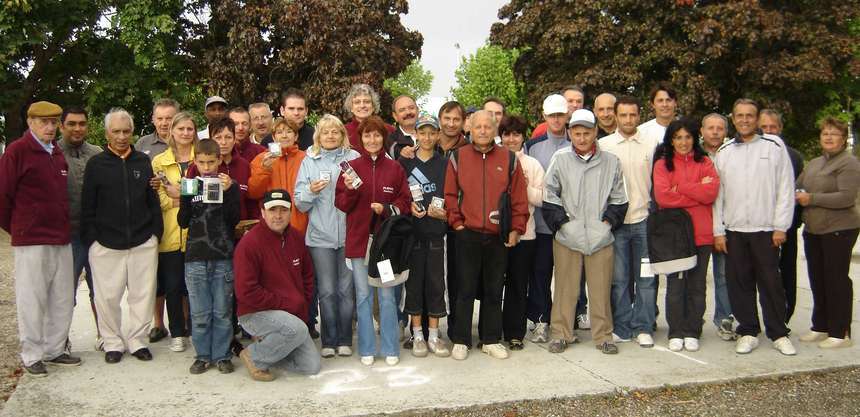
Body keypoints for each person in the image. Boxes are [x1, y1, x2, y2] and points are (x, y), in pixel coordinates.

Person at [0, 101, 81, 376]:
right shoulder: (17, 151)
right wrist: (20, 228)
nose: (49, 127)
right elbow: (3, 197)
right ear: (30, 122)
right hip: (32, 239)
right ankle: (32, 354)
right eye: (43, 122)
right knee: (31, 298)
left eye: (53, 122)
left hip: (61, 236)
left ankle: (55, 348)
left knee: (61, 296)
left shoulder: (56, 153)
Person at [713, 98, 795, 356]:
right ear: (733, 119)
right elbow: (718, 196)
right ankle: (748, 331)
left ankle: (778, 333)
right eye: (740, 115)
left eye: (750, 115)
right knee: (740, 283)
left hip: (766, 230)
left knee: (771, 283)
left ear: (757, 118)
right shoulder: (725, 152)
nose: (745, 120)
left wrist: (781, 226)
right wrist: (719, 231)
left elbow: (785, 187)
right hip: (735, 231)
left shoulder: (774, 146)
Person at [444, 110, 529, 361]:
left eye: (488, 126)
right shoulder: (458, 157)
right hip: (466, 233)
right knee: (464, 289)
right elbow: (450, 195)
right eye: (478, 126)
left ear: (495, 130)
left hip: (497, 235)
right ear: (469, 128)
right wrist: (457, 223)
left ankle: (490, 339)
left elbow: (519, 198)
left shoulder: (509, 159)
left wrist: (516, 228)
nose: (482, 130)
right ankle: (461, 339)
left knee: (494, 290)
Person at [542, 109, 628, 355]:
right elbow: (549, 196)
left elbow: (620, 199)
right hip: (568, 237)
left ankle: (603, 336)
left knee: (601, 289)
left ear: (595, 132)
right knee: (565, 289)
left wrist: (607, 224)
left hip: (601, 237)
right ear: (570, 133)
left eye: (586, 133)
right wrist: (563, 225)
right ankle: (561, 334)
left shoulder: (611, 161)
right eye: (577, 133)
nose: (581, 138)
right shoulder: (560, 159)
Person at [81, 108, 163, 364]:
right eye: (116, 131)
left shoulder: (142, 161)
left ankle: (138, 341)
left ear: (132, 131)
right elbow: (88, 205)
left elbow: (152, 201)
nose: (121, 136)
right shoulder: (96, 164)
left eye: (126, 131)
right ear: (107, 132)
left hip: (142, 240)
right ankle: (112, 343)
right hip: (106, 243)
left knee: (142, 294)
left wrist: (155, 234)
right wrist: (92, 239)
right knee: (107, 297)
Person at [335, 115, 411, 366]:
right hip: (359, 244)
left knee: (388, 297)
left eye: (376, 135)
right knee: (364, 296)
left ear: (383, 137)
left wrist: (386, 209)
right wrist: (349, 188)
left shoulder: (395, 168)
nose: (372, 139)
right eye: (367, 135)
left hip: (386, 246)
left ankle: (390, 348)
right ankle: (367, 348)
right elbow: (342, 204)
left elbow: (405, 201)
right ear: (361, 138)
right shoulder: (351, 167)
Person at [234, 190, 320, 381]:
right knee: (296, 330)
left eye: (283, 210)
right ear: (263, 212)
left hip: (291, 315)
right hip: (255, 313)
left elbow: (308, 277)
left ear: (291, 213)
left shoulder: (297, 239)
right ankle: (254, 356)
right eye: (273, 210)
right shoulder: (250, 243)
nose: (278, 215)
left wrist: (301, 306)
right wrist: (288, 304)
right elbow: (246, 292)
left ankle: (271, 348)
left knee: (311, 366)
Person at [295, 114, 360, 358]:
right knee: (327, 290)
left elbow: (363, 196)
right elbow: (299, 203)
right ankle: (328, 341)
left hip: (348, 237)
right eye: (325, 132)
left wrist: (355, 188)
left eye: (335, 132)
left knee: (345, 290)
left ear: (343, 135)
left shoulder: (354, 158)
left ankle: (344, 339)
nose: (330, 136)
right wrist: (310, 191)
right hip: (320, 238)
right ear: (318, 136)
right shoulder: (309, 160)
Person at [653, 118, 720, 352]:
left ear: (695, 138)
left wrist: (679, 187)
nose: (683, 142)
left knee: (697, 285)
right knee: (675, 285)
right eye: (678, 137)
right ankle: (676, 330)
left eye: (688, 137)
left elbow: (710, 193)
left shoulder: (705, 162)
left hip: (701, 235)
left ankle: (693, 330)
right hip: (675, 236)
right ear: (671, 140)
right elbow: (663, 198)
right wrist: (696, 189)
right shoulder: (663, 165)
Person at [599, 96, 660, 348]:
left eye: (632, 115)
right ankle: (622, 327)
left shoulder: (652, 143)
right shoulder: (604, 145)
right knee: (620, 280)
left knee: (646, 279)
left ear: (638, 115)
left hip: (645, 221)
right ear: (615, 115)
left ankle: (643, 326)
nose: (628, 119)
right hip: (617, 224)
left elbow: (658, 182)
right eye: (623, 115)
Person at [178, 138, 241, 374]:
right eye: (202, 162)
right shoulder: (191, 185)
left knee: (223, 311)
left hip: (222, 255)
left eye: (211, 162)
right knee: (200, 312)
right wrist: (185, 194)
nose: (206, 167)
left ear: (219, 161)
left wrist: (227, 192)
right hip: (195, 256)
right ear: (195, 161)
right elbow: (182, 221)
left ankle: (223, 355)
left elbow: (233, 219)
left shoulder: (229, 185)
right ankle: (202, 355)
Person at [795, 118, 859, 349]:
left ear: (843, 139)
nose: (829, 138)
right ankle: (821, 326)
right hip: (814, 229)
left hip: (839, 230)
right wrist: (799, 192)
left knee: (836, 280)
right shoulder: (814, 163)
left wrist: (812, 198)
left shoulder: (848, 163)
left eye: (834, 134)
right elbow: (798, 184)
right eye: (825, 134)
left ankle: (840, 331)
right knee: (818, 279)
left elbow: (846, 197)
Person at [399, 115, 452, 358]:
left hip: (435, 234)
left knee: (435, 284)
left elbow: (451, 196)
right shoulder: (405, 162)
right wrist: (408, 206)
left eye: (432, 133)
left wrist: (444, 214)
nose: (427, 137)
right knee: (413, 285)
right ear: (416, 135)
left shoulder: (444, 164)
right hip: (412, 234)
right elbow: (399, 195)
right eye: (423, 133)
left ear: (438, 135)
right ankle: (417, 334)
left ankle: (434, 334)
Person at [523, 94, 571, 343]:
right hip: (541, 224)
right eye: (552, 115)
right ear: (544, 116)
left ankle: (564, 321)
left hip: (568, 224)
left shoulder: (577, 142)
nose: (556, 119)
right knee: (540, 274)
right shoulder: (533, 145)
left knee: (566, 277)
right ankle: (540, 320)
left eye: (560, 115)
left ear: (567, 116)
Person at [151, 112, 197, 352]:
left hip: (196, 232)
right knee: (172, 285)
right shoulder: (160, 161)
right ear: (172, 132)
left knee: (194, 285)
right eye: (181, 129)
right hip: (169, 231)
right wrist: (180, 199)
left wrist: (181, 196)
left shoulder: (201, 158)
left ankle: (194, 328)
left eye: (190, 129)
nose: (185, 134)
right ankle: (177, 332)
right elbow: (159, 197)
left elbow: (204, 195)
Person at [59, 106, 103, 351]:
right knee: (66, 290)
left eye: (82, 124)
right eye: (72, 124)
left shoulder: (96, 154)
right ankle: (60, 339)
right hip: (68, 234)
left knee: (101, 289)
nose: (78, 128)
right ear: (61, 126)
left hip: (96, 233)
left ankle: (104, 334)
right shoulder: (54, 153)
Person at [498, 115, 544, 351]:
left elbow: (541, 198)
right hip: (496, 234)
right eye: (507, 134)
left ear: (523, 137)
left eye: (516, 134)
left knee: (518, 285)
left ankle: (515, 333)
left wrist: (521, 185)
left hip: (525, 234)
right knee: (495, 285)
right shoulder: (494, 160)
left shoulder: (533, 165)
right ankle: (493, 331)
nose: (511, 139)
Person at [759, 109, 804, 323]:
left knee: (786, 270)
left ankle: (784, 315)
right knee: (762, 274)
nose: (768, 131)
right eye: (764, 127)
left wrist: (786, 224)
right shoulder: (752, 153)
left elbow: (794, 191)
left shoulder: (793, 156)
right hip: (758, 225)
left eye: (772, 127)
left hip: (785, 225)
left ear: (780, 128)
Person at [700, 113, 736, 341]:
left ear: (726, 131)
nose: (714, 132)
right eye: (710, 128)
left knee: (724, 274)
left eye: (719, 128)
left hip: (726, 223)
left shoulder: (732, 153)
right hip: (699, 223)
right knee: (696, 277)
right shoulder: (692, 153)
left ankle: (724, 318)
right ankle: (694, 319)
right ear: (701, 131)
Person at [436, 101, 469, 341]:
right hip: (429, 221)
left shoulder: (468, 149)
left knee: (459, 277)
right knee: (432, 276)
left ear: (463, 122)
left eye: (456, 119)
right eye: (447, 118)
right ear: (440, 119)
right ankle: (428, 328)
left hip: (458, 221)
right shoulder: (427, 144)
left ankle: (458, 328)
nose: (451, 123)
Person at [187, 117, 256, 221]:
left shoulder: (244, 165)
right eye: (218, 137)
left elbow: (249, 201)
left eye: (228, 137)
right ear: (211, 139)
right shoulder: (196, 167)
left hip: (241, 229)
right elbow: (187, 203)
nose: (223, 142)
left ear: (234, 139)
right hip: (207, 231)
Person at [249, 117, 308, 233]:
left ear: (296, 136)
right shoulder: (261, 159)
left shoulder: (307, 158)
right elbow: (254, 192)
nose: (284, 136)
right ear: (274, 137)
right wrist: (264, 169)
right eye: (279, 132)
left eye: (289, 131)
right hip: (272, 224)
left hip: (302, 225)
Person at [343, 84, 394, 151]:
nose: (362, 106)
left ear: (373, 107)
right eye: (357, 102)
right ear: (351, 108)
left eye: (367, 102)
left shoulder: (389, 130)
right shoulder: (343, 131)